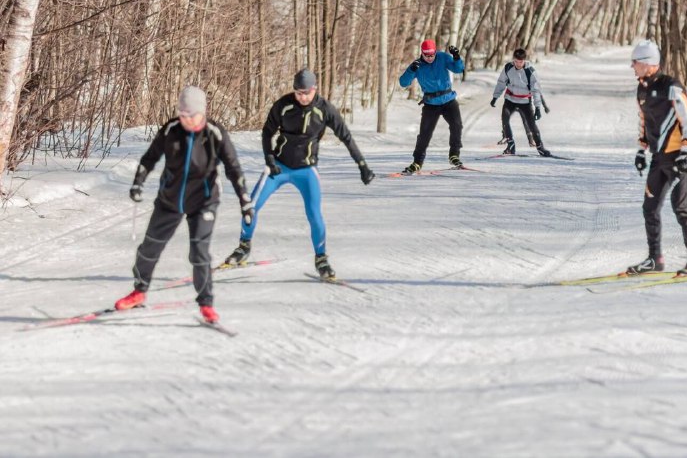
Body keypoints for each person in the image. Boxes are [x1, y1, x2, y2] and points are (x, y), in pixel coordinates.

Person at [115, 86, 254, 324]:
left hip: (204, 202)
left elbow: (233, 167)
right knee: (149, 249)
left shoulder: (215, 133)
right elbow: (150, 158)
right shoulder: (171, 130)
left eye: (192, 115)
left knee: (199, 253)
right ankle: (139, 290)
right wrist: (138, 183)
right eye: (183, 114)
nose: (187, 120)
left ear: (202, 113)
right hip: (170, 200)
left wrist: (245, 201)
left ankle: (206, 304)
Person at [224, 68, 374, 280]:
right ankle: (243, 246)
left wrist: (362, 165)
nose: (302, 97)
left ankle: (321, 258)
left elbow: (346, 137)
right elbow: (267, 131)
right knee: (251, 205)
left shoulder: (325, 109)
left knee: (314, 214)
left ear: (315, 89)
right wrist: (268, 158)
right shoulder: (283, 105)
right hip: (279, 167)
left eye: (306, 92)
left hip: (306, 170)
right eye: (298, 93)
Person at [627, 40, 687, 276]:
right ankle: (655, 259)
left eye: (636, 62)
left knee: (680, 208)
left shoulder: (671, 86)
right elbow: (644, 121)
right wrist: (641, 150)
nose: (632, 67)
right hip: (658, 159)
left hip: (676, 158)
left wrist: (686, 151)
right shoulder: (641, 89)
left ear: (649, 64)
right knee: (649, 208)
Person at [398, 39, 465, 174]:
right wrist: (411, 70)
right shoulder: (417, 65)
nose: (429, 58)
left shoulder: (442, 57)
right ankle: (417, 162)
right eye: (426, 55)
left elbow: (459, 69)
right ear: (422, 53)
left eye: (432, 55)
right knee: (424, 135)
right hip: (431, 104)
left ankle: (454, 155)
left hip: (448, 100)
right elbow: (403, 83)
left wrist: (456, 57)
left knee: (457, 125)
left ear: (435, 52)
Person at [490, 48, 551, 156]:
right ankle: (510, 145)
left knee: (532, 125)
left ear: (524, 60)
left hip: (525, 102)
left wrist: (537, 108)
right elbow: (501, 83)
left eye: (520, 62)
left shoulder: (530, 71)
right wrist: (495, 97)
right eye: (516, 61)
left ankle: (540, 147)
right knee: (505, 119)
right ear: (513, 60)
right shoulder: (508, 67)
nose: (518, 64)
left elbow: (536, 90)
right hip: (510, 99)